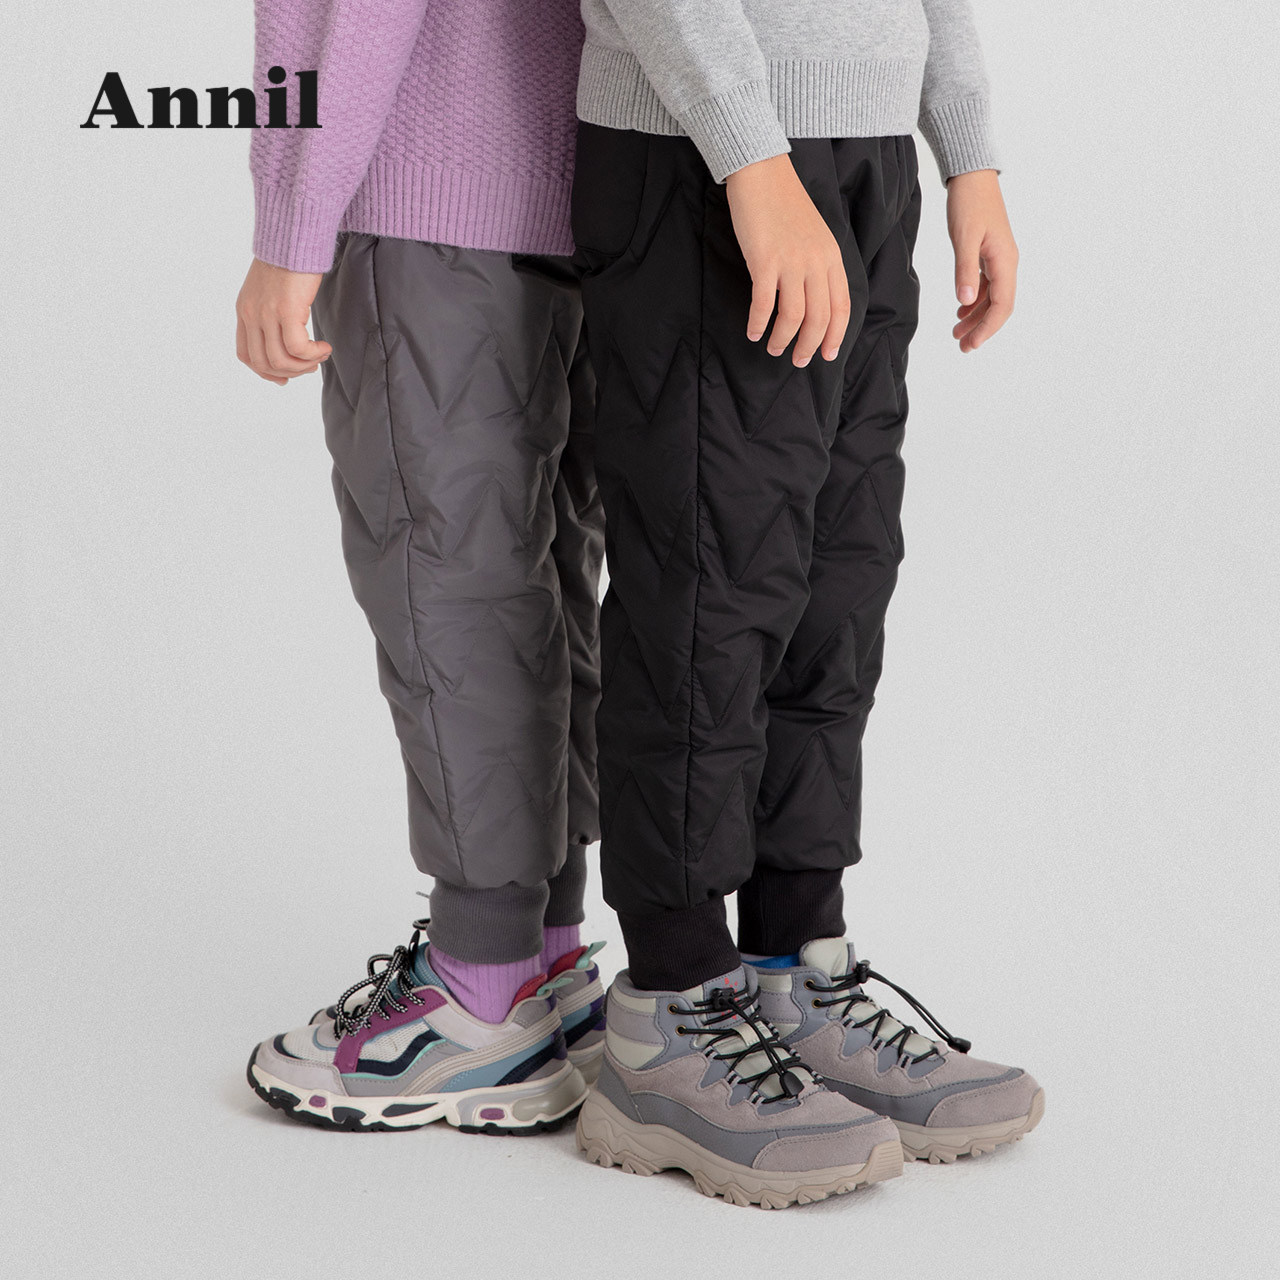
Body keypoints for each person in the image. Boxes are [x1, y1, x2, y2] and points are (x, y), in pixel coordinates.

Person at [570, 0, 1044, 1204]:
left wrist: (966, 153)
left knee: (835, 584)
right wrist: (748, 153)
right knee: (709, 592)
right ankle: (671, 1007)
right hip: (701, 158)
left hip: (862, 157)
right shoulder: (729, 151)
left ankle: (793, 970)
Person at [235, 1, 607, 1134]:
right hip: (592, 183)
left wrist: (291, 230)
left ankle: (479, 991)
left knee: (448, 584)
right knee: (544, 576)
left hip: (427, 186)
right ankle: (543, 958)